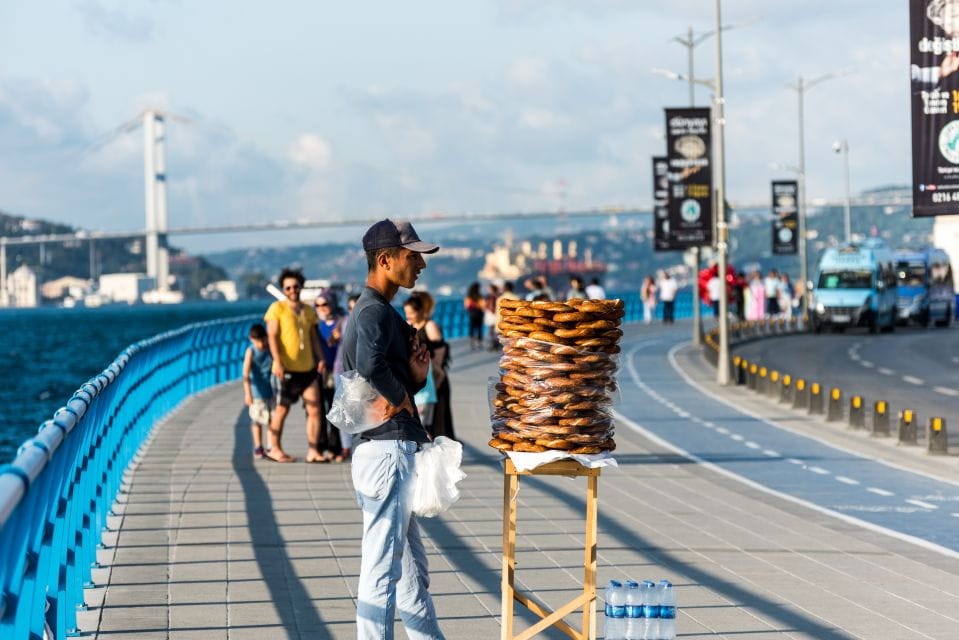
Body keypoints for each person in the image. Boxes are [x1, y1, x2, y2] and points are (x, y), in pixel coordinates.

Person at [341, 218, 443, 640]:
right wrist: (402, 396)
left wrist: (416, 378)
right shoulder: (372, 312)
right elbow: (368, 363)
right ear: (385, 260)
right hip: (386, 453)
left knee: (409, 572)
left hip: (388, 450)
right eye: (411, 256)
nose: (420, 264)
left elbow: (388, 369)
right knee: (383, 569)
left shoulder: (383, 312)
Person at [264, 268, 322, 463]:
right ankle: (274, 449)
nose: (292, 290)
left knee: (314, 409)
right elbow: (271, 336)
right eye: (288, 287)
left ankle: (313, 451)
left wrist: (320, 359)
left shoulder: (308, 310)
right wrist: (278, 362)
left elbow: (314, 338)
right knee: (281, 409)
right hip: (286, 369)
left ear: (301, 287)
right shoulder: (277, 308)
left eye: (295, 286)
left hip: (307, 369)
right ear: (283, 289)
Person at [404, 291, 455, 440]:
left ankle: (444, 451)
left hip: (436, 378)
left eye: (411, 313)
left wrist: (437, 377)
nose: (408, 316)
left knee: (439, 419)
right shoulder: (409, 326)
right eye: (406, 313)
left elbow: (441, 353)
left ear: (420, 311)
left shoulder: (430, 326)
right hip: (421, 380)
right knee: (422, 420)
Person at [314, 288, 347, 462]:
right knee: (319, 410)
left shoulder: (343, 321)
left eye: (325, 304)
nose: (321, 307)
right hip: (320, 372)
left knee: (336, 410)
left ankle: (337, 447)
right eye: (317, 305)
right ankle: (321, 447)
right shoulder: (314, 324)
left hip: (338, 372)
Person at [242, 323, 273, 459]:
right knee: (257, 420)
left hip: (271, 390)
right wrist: (248, 394)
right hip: (256, 392)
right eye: (257, 341)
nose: (260, 344)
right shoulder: (251, 351)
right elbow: (246, 374)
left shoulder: (270, 349)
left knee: (272, 420)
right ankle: (258, 446)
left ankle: (271, 446)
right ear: (251, 339)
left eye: (262, 340)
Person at [464, 282, 485, 350]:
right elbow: (482, 306)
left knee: (472, 328)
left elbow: (466, 306)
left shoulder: (469, 297)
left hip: (472, 314)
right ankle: (479, 343)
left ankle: (471, 343)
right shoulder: (480, 296)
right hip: (479, 314)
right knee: (479, 328)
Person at [483, 283, 500, 350]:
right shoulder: (498, 295)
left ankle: (492, 344)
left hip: (490, 315)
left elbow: (486, 306)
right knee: (496, 330)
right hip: (497, 314)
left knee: (490, 330)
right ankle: (496, 344)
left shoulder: (489, 296)